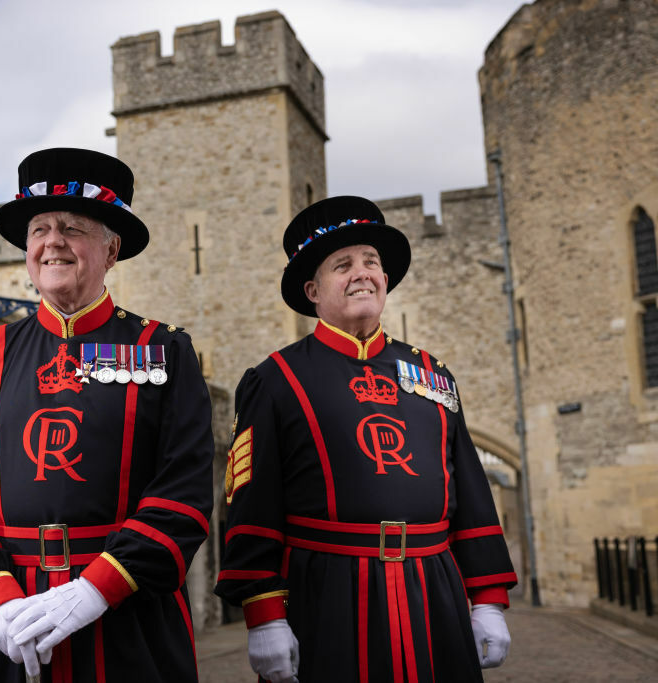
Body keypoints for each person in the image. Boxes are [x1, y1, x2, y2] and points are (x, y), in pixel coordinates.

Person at [0, 148, 214, 682]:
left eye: (74, 228)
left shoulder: (165, 351)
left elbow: (186, 489)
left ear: (111, 250)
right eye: (40, 229)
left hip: (127, 619)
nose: (53, 241)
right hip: (8, 626)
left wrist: (96, 588)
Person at [214, 196, 517, 682]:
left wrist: (487, 600)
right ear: (312, 289)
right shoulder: (276, 378)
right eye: (343, 265)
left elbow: (472, 495)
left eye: (371, 263)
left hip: (432, 589)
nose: (363, 274)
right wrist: (265, 614)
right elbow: (252, 505)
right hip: (327, 594)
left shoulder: (433, 374)